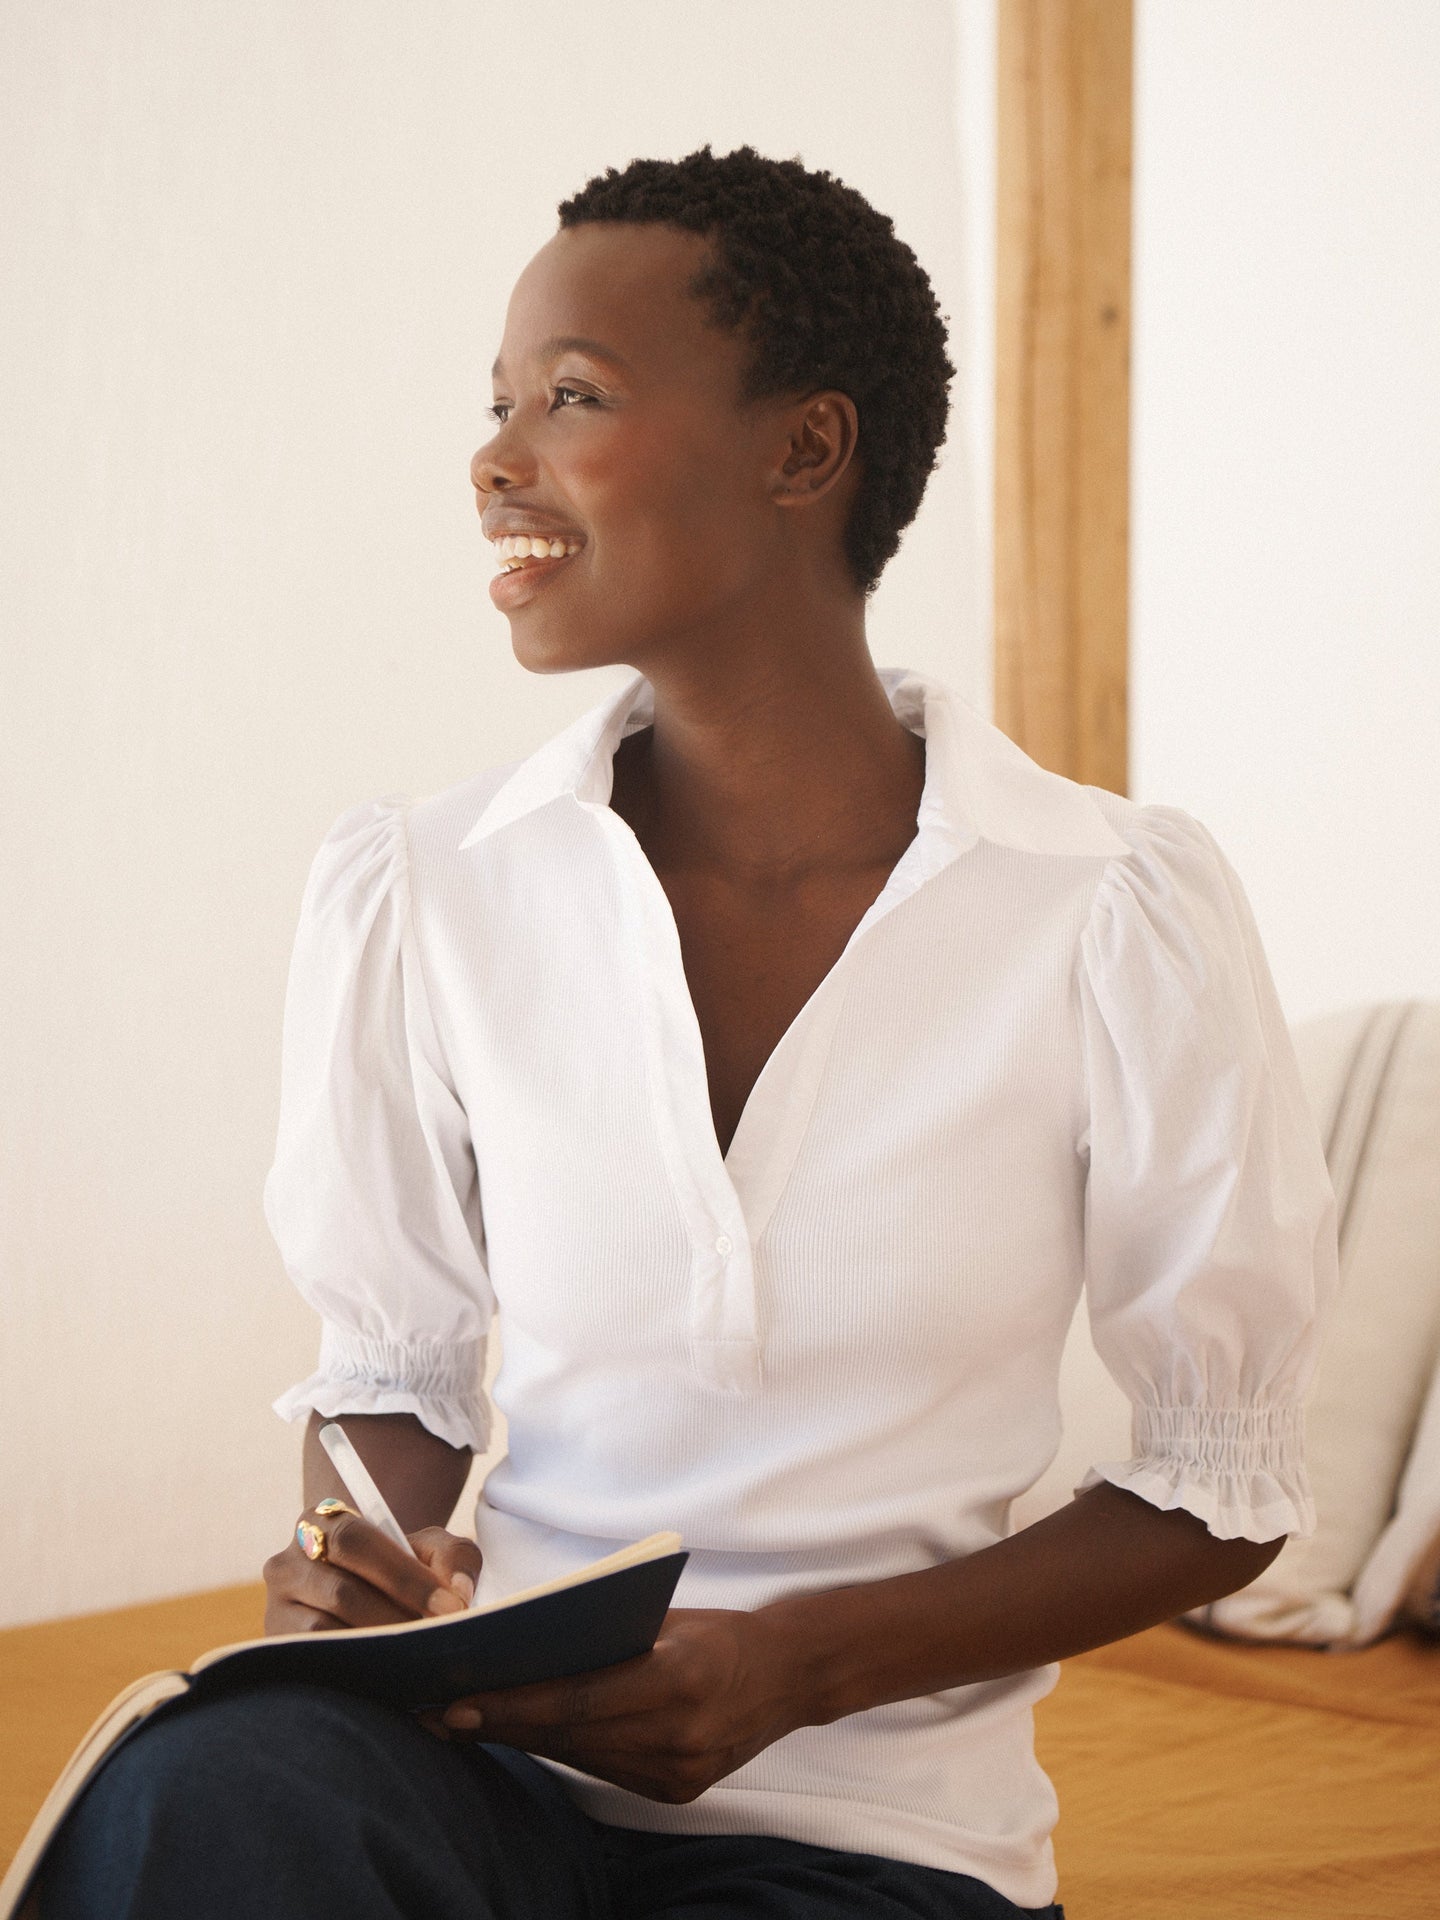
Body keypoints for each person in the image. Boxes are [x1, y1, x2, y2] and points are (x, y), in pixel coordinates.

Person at [42, 144, 1338, 1920]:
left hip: (878, 1840)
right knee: (205, 1785)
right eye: (495, 404)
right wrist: (354, 1553)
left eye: (571, 397)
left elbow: (1224, 1482)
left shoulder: (1109, 908)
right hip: (483, 1765)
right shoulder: (427, 886)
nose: (496, 458)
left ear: (805, 451)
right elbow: (395, 1373)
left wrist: (792, 1666)